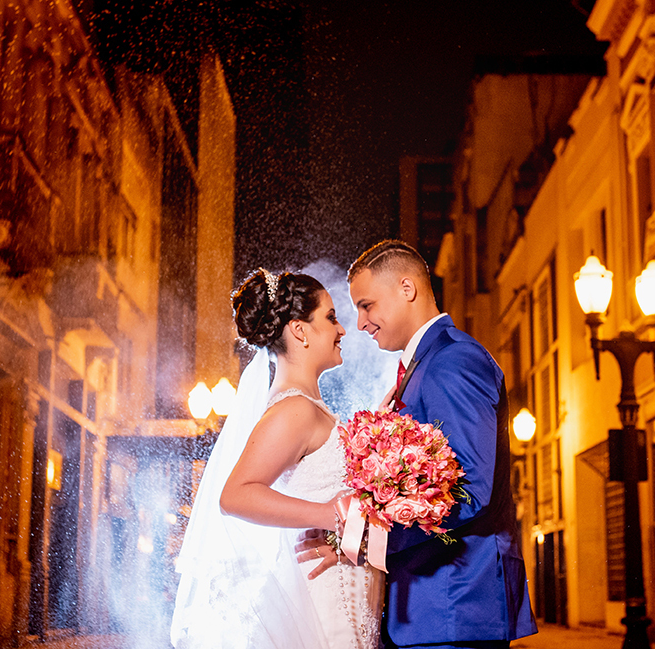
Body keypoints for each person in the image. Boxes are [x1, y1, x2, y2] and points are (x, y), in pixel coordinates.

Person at [171, 269, 383, 649]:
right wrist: (330, 514)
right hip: (323, 602)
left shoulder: (309, 408)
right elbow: (235, 495)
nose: (342, 330)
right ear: (300, 331)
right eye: (331, 318)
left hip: (343, 591)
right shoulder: (294, 411)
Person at [341, 239, 536, 648]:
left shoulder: (453, 360)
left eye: (366, 305)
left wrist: (372, 539)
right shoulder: (423, 364)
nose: (360, 322)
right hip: (430, 607)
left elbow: (469, 487)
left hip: (455, 602)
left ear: (406, 289)